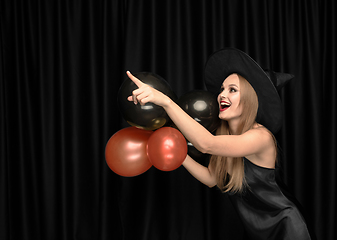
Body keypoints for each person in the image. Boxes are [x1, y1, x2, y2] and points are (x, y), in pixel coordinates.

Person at [126, 48, 312, 240]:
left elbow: (206, 144)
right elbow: (211, 178)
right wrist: (174, 150)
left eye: (232, 90)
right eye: (222, 89)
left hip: (287, 227)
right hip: (258, 232)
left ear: (250, 99)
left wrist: (166, 102)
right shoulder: (226, 136)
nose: (222, 95)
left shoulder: (261, 136)